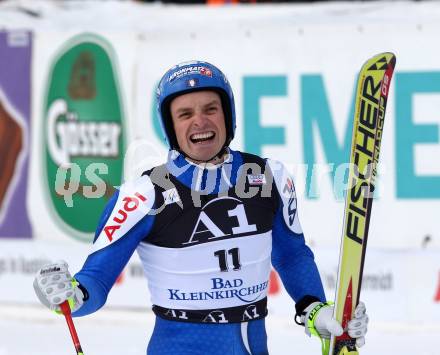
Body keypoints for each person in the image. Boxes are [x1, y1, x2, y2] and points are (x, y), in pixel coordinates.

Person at [33, 60, 368, 354]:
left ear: (228, 115)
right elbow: (95, 281)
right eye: (185, 114)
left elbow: (292, 255)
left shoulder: (269, 177)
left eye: (210, 109)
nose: (200, 122)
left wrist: (315, 311)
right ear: (171, 127)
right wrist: (69, 297)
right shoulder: (144, 195)